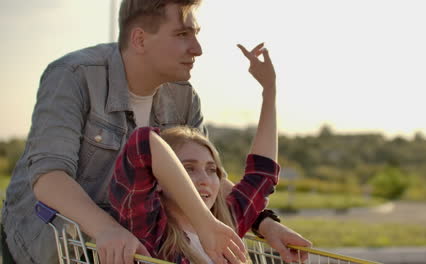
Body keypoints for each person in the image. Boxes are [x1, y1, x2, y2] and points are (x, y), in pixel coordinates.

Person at [1, 1, 311, 264]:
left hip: (133, 245)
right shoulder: (73, 76)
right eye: (181, 34)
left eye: (196, 34)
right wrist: (107, 228)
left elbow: (205, 176)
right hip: (53, 242)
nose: (198, 49)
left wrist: (265, 223)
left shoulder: (183, 96)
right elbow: (50, 177)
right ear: (139, 40)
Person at [109, 42, 280, 263]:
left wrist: (269, 89)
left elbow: (262, 176)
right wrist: (205, 224)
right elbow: (142, 143)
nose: (204, 180)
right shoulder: (150, 231)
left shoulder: (226, 224)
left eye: (212, 170)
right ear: (160, 177)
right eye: (188, 168)